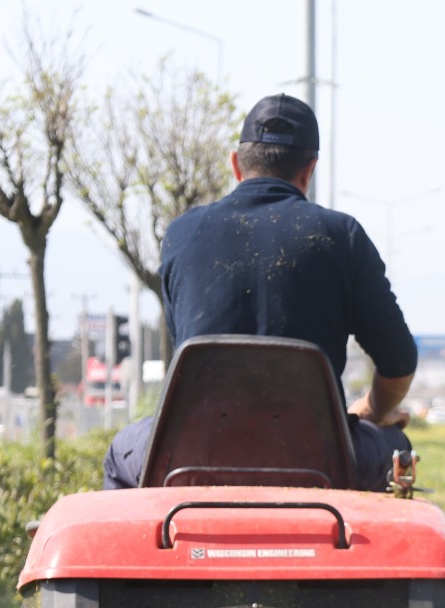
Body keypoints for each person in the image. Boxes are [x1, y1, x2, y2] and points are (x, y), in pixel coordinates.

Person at [103, 93, 416, 491]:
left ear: (236, 164)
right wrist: (372, 411)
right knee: (396, 448)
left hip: (193, 455)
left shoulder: (182, 234)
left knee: (120, 452)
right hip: (320, 460)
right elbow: (399, 362)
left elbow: (187, 345)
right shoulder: (343, 236)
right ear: (310, 169)